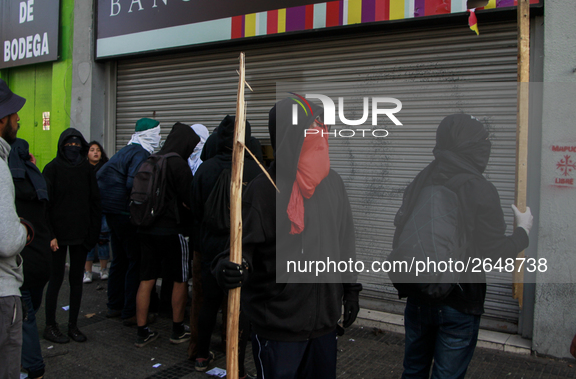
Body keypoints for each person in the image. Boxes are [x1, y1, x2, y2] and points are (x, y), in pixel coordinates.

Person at [212, 98, 362, 379]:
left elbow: (345, 243)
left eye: (323, 125)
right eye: (311, 126)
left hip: (324, 328)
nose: (321, 132)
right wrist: (229, 269)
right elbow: (238, 251)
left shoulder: (334, 184)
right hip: (277, 329)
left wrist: (351, 289)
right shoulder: (263, 191)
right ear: (288, 135)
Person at [392, 113, 533, 379]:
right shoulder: (480, 188)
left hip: (418, 295)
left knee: (413, 370)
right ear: (470, 146)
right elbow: (495, 255)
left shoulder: (422, 178)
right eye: (483, 140)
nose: (487, 145)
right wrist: (523, 232)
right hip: (460, 302)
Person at [190, 115, 262, 375]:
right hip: (244, 250)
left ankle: (200, 355)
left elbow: (195, 210)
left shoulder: (204, 169)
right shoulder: (255, 170)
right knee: (241, 309)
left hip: (210, 248)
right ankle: (239, 368)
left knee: (209, 302)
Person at [134, 123, 199, 347]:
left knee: (147, 279)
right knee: (180, 279)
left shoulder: (151, 158)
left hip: (145, 228)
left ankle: (142, 331)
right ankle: (178, 329)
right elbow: (191, 199)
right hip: (173, 231)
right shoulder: (178, 164)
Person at [0, 77, 32, 378]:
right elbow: (5, 242)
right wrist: (25, 231)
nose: (18, 119)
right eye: (14, 113)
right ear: (1, 117)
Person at [96, 118, 161, 325]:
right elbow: (134, 182)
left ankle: (114, 305)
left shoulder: (126, 150)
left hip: (112, 213)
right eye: (158, 134)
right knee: (135, 261)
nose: (159, 138)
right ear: (150, 135)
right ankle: (131, 311)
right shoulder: (140, 153)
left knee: (120, 260)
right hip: (125, 215)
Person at [42, 128, 102, 343]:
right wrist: (50, 234)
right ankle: (50, 325)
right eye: (70, 145)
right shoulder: (52, 169)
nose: (73, 148)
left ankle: (73, 326)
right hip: (57, 237)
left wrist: (91, 235)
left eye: (77, 145)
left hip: (81, 236)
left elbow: (95, 203)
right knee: (56, 280)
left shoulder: (85, 169)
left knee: (76, 281)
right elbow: (45, 205)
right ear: (62, 146)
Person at [10, 139, 53, 379]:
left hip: (22, 262)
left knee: (25, 318)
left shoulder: (8, 188)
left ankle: (35, 368)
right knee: (29, 311)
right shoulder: (38, 183)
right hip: (42, 259)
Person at [83, 141, 110, 283]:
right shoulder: (82, 168)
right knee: (88, 241)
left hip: (103, 208)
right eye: (92, 150)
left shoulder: (106, 168)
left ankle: (103, 269)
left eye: (98, 150)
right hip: (87, 210)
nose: (95, 152)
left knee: (103, 238)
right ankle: (87, 272)